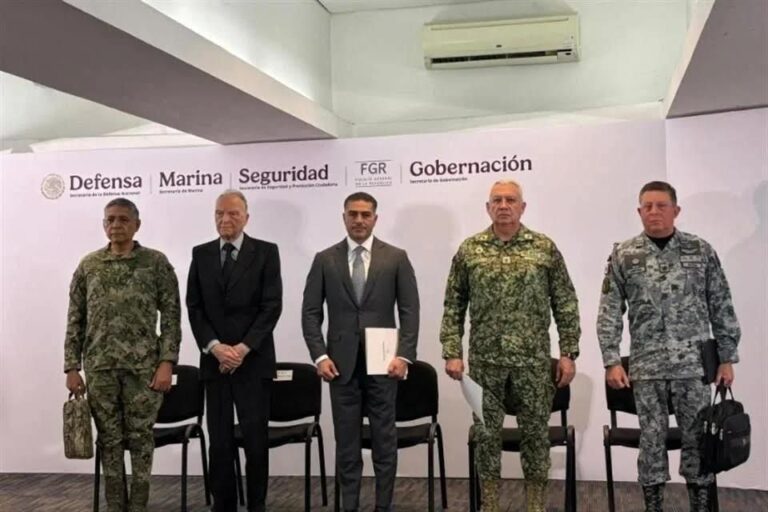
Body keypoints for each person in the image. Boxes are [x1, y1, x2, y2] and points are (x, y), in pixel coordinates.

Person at [597, 180, 740, 512]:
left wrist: (727, 357)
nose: (654, 212)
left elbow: (721, 304)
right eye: (647, 206)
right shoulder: (624, 255)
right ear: (639, 211)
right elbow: (609, 310)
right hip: (647, 369)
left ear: (676, 210)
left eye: (661, 205)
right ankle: (654, 507)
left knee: (698, 440)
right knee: (651, 442)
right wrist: (611, 359)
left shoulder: (700, 251)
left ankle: (700, 506)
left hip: (693, 368)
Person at [440, 179, 581, 512]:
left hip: (532, 364)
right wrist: (452, 351)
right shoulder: (470, 250)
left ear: (522, 207)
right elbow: (454, 304)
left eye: (511, 200)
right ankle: (490, 504)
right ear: (488, 207)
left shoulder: (543, 248)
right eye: (497, 200)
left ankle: (535, 505)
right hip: (485, 364)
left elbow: (565, 301)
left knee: (535, 438)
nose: (503, 205)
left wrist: (568, 352)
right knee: (486, 437)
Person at [301, 192, 419, 512]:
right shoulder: (325, 259)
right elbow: (310, 313)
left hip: (385, 365)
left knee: (384, 442)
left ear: (375, 219)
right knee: (347, 445)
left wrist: (404, 356)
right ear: (344, 218)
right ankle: (349, 506)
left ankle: (384, 507)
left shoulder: (396, 257)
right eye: (352, 214)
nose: (359, 220)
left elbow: (410, 311)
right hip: (340, 366)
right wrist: (320, 356)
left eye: (365, 214)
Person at [64, 198, 181, 512]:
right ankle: (115, 505)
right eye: (110, 219)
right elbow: (75, 319)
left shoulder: (155, 263)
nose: (116, 225)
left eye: (123, 219)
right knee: (109, 440)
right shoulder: (89, 266)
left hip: (143, 369)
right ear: (104, 224)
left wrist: (167, 362)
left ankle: (139, 505)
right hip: (100, 368)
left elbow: (171, 317)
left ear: (136, 225)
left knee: (141, 439)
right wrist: (71, 366)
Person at [186, 190, 283, 512]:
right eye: (219, 213)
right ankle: (223, 504)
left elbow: (271, 307)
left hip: (253, 362)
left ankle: (257, 504)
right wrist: (215, 347)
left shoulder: (266, 252)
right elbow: (194, 307)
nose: (225, 219)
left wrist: (241, 349)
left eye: (233, 213)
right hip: (215, 364)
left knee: (255, 441)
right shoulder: (201, 254)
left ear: (246, 218)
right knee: (220, 442)